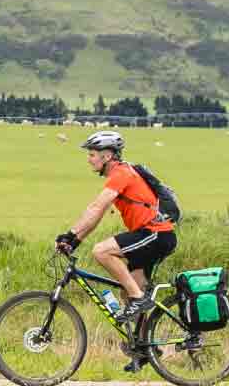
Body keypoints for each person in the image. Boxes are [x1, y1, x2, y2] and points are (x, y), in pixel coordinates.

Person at [55, 130, 176, 328]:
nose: (89, 159)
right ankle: (142, 348)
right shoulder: (121, 173)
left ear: (107, 156)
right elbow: (98, 215)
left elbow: (96, 206)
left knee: (101, 251)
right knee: (127, 292)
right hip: (150, 235)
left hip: (155, 233)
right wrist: (75, 241)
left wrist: (70, 233)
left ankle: (138, 298)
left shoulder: (121, 173)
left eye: (92, 154)